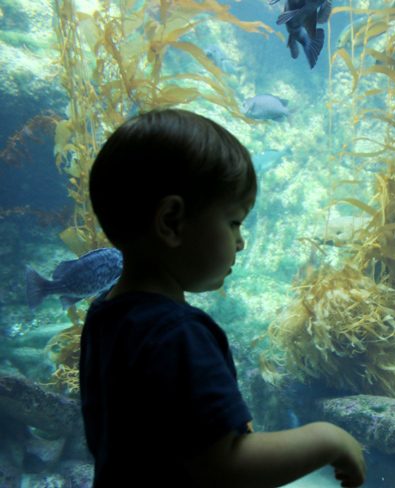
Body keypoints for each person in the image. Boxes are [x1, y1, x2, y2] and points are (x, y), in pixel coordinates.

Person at [80, 108, 366, 487]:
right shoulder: (178, 335)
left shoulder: (105, 316)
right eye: (234, 222)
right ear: (171, 222)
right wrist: (328, 439)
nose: (241, 242)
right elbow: (225, 468)